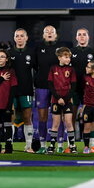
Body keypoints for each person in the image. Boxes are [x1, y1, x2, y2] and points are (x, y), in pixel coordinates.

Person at [7, 28, 37, 152]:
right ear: (14, 38)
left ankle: (28, 146)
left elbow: (38, 70)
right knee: (11, 118)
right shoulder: (8, 53)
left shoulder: (31, 52)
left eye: (21, 36)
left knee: (27, 118)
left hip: (27, 90)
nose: (19, 38)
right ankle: (9, 145)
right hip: (11, 91)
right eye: (17, 36)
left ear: (26, 38)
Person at [32, 25, 60, 153]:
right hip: (42, 86)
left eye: (52, 31)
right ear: (43, 35)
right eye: (46, 31)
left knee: (58, 116)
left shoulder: (60, 50)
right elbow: (33, 66)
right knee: (42, 116)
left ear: (56, 35)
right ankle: (43, 144)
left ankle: (59, 145)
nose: (49, 33)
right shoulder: (37, 48)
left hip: (58, 87)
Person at [47, 47, 78, 153]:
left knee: (69, 122)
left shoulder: (71, 70)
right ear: (59, 57)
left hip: (67, 100)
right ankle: (52, 146)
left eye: (69, 57)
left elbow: (73, 86)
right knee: (55, 123)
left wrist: (65, 98)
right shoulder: (53, 68)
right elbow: (50, 85)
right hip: (56, 100)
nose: (68, 59)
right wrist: (58, 97)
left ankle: (72, 146)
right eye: (66, 57)